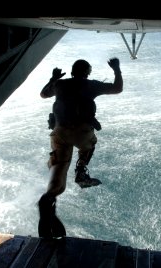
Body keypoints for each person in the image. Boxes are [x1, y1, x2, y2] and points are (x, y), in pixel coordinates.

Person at [38, 57, 123, 238]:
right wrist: (116, 69)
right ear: (87, 72)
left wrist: (53, 79)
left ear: (72, 70)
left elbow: (43, 94)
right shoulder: (91, 85)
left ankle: (48, 198)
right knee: (90, 143)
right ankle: (81, 171)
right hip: (80, 131)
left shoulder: (60, 84)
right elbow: (117, 88)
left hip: (59, 132)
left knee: (58, 172)